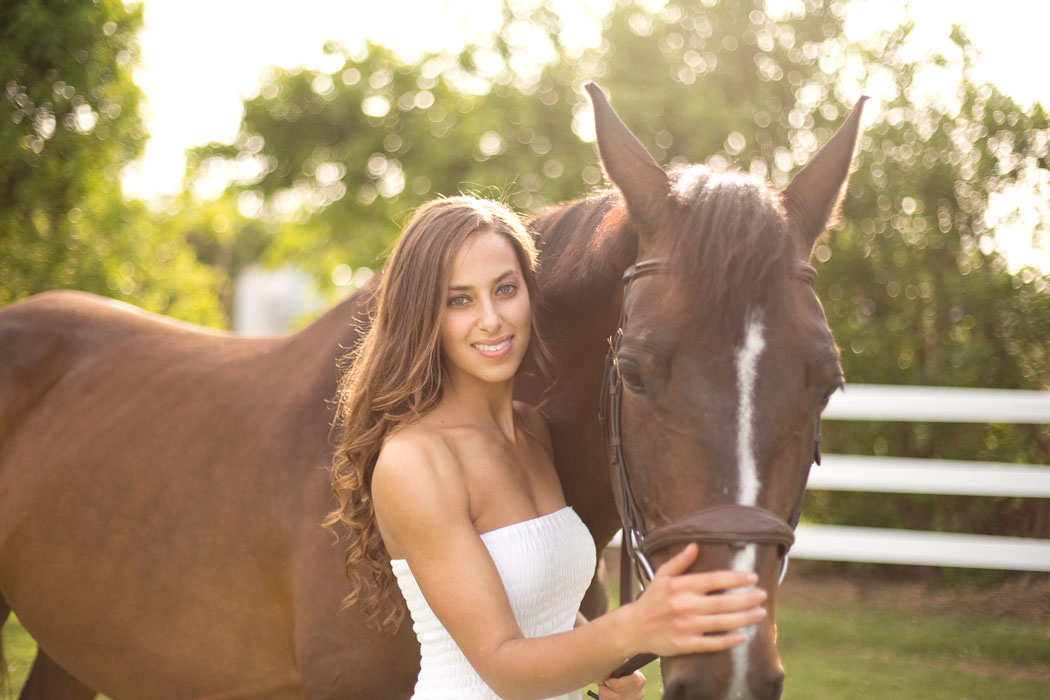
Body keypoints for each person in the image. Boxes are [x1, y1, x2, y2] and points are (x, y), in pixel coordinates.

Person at [325, 196, 767, 700]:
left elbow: (538, 599)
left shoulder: (531, 431)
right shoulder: (417, 462)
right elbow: (502, 666)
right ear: (422, 315)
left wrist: (600, 656)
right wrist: (634, 626)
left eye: (505, 289)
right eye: (459, 299)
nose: (491, 319)